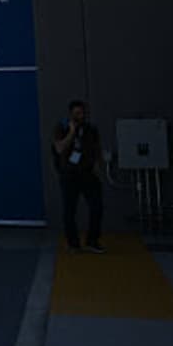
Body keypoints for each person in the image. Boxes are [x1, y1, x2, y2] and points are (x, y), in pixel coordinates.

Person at [52, 100, 106, 253]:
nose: (80, 116)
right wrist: (71, 131)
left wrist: (98, 167)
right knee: (69, 210)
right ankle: (73, 243)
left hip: (87, 173)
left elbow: (96, 149)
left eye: (82, 113)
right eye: (77, 114)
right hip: (69, 174)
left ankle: (92, 240)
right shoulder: (61, 127)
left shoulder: (90, 129)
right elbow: (59, 148)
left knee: (96, 207)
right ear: (71, 114)